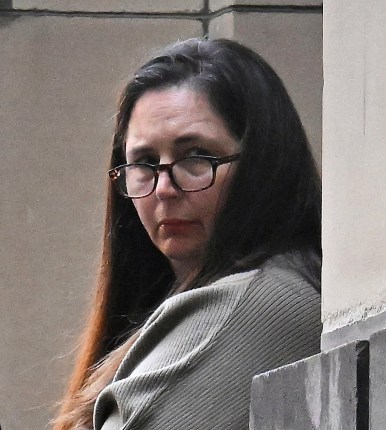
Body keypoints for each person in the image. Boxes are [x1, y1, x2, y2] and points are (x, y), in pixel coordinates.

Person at [53, 38, 322, 430]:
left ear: (263, 164)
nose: (164, 188)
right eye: (144, 162)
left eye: (196, 156)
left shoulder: (261, 302)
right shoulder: (188, 305)